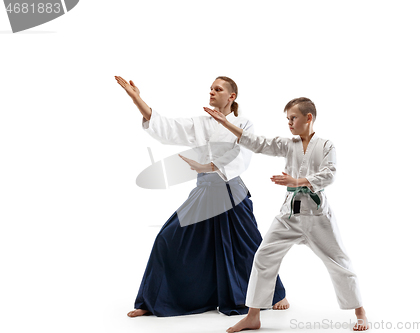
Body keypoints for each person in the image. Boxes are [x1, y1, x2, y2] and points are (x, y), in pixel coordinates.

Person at [114, 75, 289, 317]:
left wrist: (210, 167)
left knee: (248, 245)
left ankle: (275, 294)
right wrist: (137, 99)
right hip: (205, 190)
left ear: (232, 96)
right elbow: (167, 127)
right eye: (210, 88)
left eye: (218, 89)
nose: (212, 92)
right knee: (167, 239)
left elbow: (243, 155)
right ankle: (153, 300)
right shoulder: (201, 123)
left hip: (231, 191)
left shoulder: (244, 124)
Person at [204, 97, 369, 331]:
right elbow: (258, 143)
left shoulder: (326, 145)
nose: (289, 123)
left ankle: (360, 311)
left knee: (339, 262)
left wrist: (297, 180)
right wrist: (226, 123)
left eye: (293, 118)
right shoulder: (288, 144)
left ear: (308, 117)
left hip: (317, 217)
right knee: (263, 257)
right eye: (288, 119)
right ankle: (253, 315)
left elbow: (329, 174)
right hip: (288, 216)